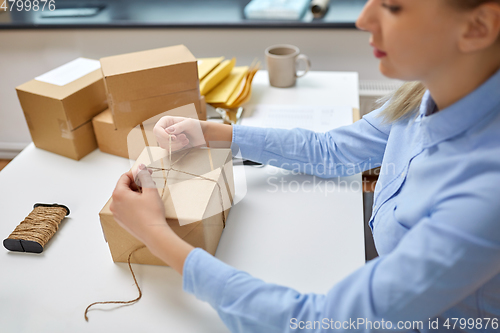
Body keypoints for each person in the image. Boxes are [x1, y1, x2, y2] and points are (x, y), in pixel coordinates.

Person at [109, 0, 500, 331]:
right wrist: (214, 132)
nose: (363, 19)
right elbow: (332, 150)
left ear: (479, 26)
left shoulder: (486, 193)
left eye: (393, 6)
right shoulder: (427, 92)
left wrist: (154, 234)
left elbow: (317, 322)